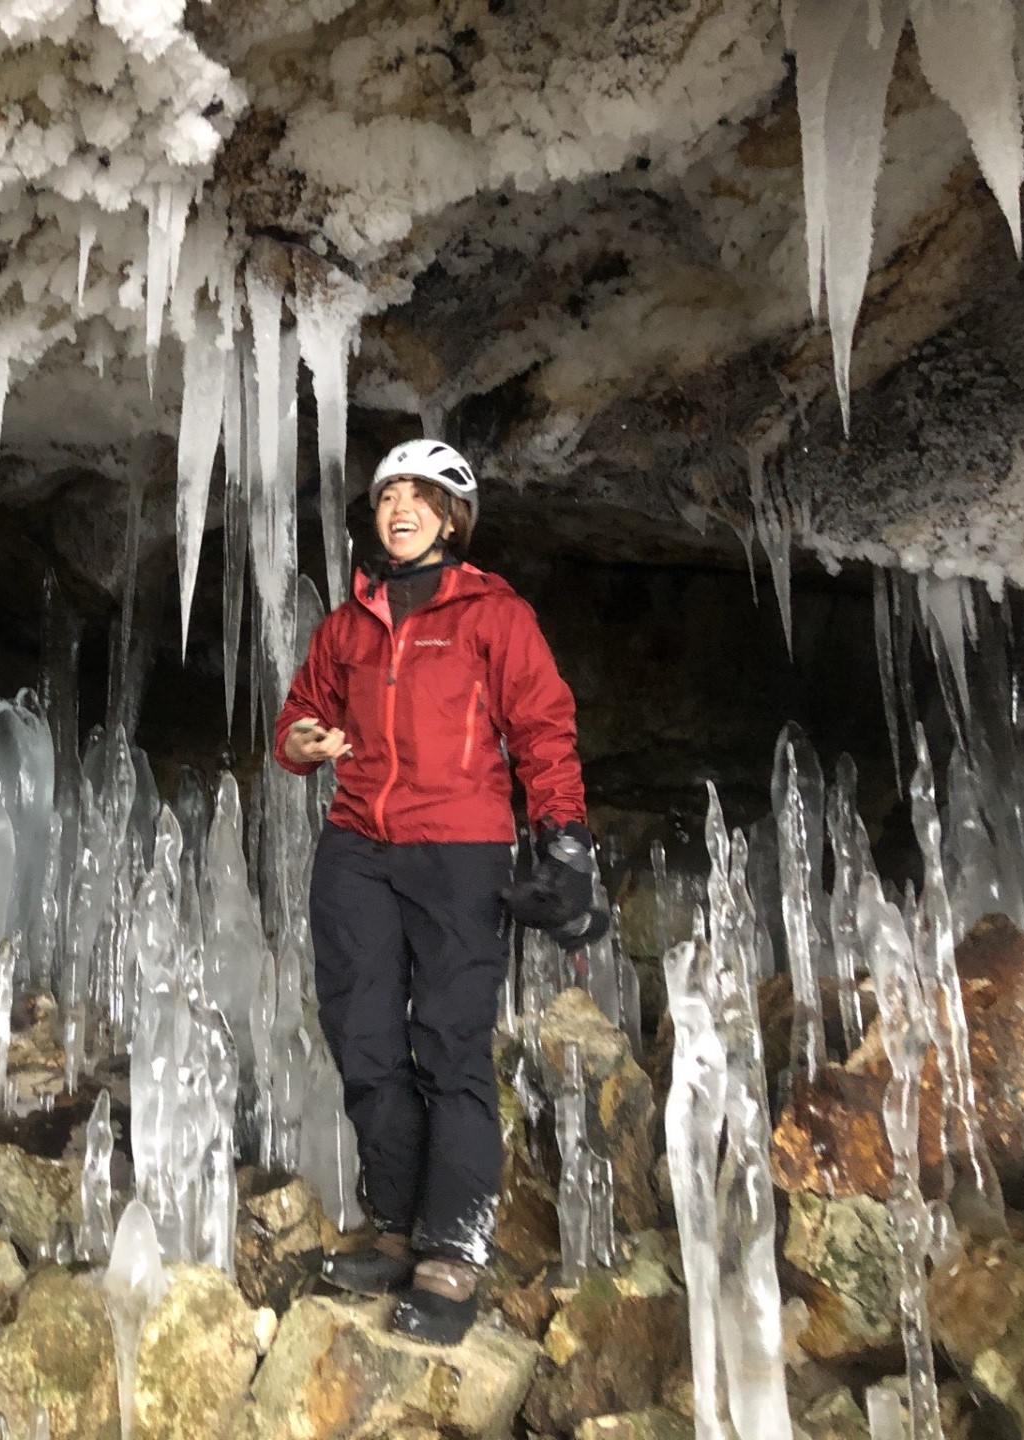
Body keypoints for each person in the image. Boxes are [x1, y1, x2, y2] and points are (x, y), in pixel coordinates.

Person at [273, 438, 602, 1345]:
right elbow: (300, 714)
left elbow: (542, 728)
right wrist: (301, 740)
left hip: (459, 849)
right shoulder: (348, 626)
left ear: (453, 518)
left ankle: (454, 1252)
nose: (401, 508)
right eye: (388, 497)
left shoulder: (493, 616)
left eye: (421, 496)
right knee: (364, 1038)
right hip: (357, 850)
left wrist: (565, 837)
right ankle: (396, 1226)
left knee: (450, 1045)